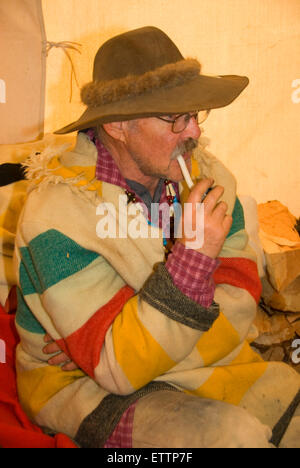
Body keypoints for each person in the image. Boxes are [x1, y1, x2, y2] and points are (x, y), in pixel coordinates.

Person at [14, 26, 300, 448]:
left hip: (188, 367)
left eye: (196, 114)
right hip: (80, 388)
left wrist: (127, 341)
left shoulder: (213, 179)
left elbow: (240, 302)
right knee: (231, 438)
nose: (195, 133)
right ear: (117, 125)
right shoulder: (55, 215)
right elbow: (118, 371)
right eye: (175, 118)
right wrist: (195, 262)